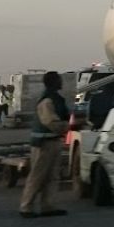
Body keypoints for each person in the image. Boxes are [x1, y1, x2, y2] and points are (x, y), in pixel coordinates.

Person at [18, 71, 69, 219]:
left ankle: (48, 205)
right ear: (53, 82)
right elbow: (50, 121)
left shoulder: (55, 98)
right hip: (44, 143)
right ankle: (26, 206)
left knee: (52, 176)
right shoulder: (48, 100)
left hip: (53, 141)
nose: (62, 82)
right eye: (59, 80)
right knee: (38, 176)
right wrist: (67, 126)